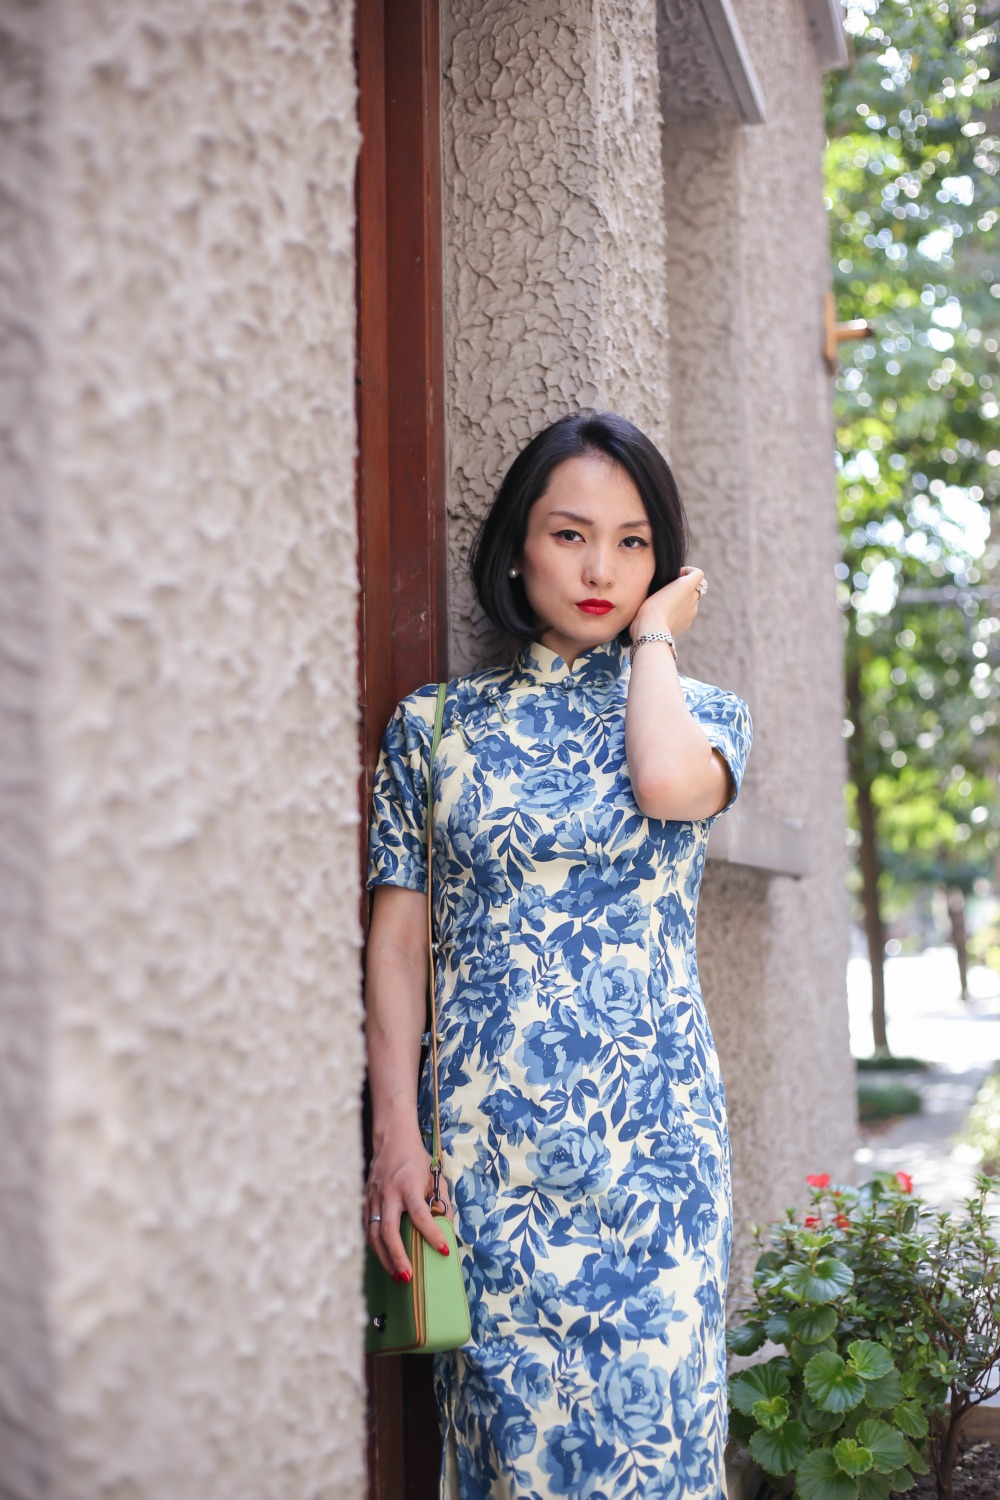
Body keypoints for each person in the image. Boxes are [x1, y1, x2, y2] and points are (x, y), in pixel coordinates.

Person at [364, 411, 752, 1500]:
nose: (599, 568)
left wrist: (654, 642)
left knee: (660, 1452)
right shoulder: (434, 729)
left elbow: (667, 789)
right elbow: (396, 944)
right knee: (516, 1459)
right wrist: (396, 1138)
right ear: (516, 548)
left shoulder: (701, 715)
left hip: (655, 1159)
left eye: (633, 543)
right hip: (489, 1167)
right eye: (570, 534)